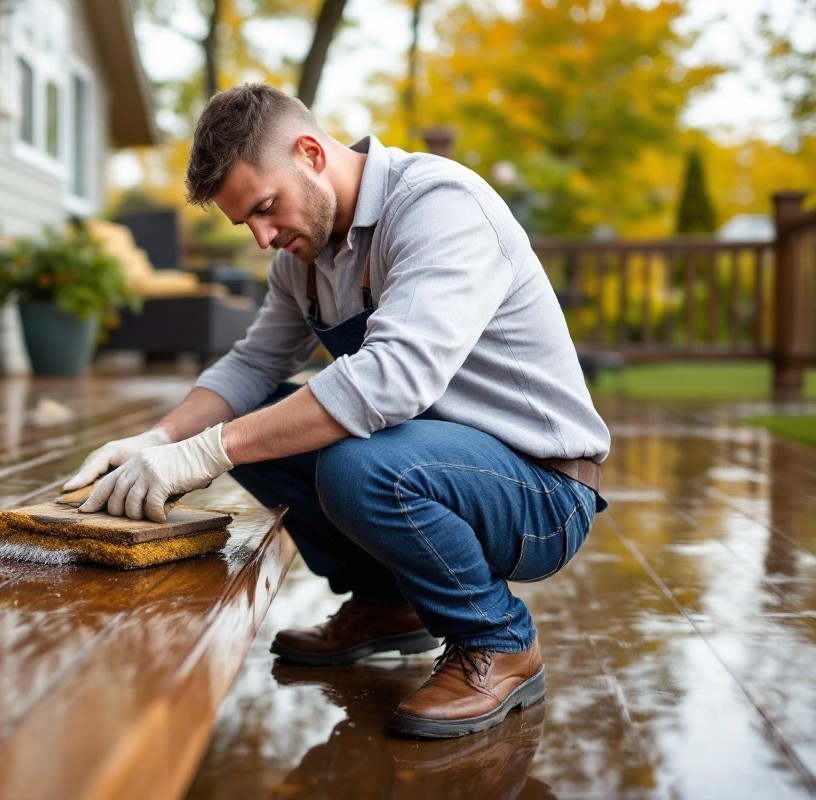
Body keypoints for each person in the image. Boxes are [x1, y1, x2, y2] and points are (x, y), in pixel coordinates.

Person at [64, 83, 610, 739]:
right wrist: (160, 438)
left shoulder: (439, 207)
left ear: (311, 152)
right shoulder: (304, 255)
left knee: (357, 466)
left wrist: (205, 454)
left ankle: (498, 639)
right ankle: (389, 604)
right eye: (247, 224)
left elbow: (392, 381)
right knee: (261, 414)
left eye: (267, 208)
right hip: (434, 459)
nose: (264, 237)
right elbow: (252, 366)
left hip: (540, 489)